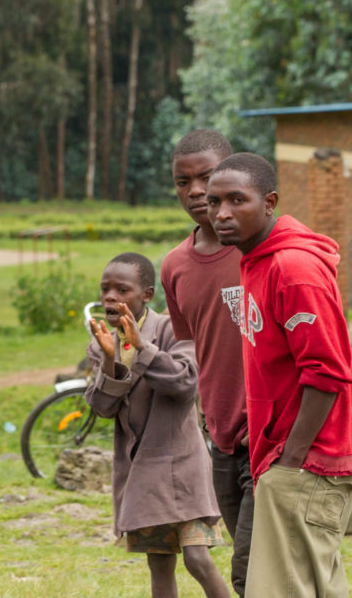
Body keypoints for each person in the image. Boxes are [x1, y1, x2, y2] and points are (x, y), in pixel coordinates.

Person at [206, 152, 352, 597]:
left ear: (269, 203)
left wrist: (290, 460)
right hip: (288, 457)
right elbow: (324, 350)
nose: (222, 213)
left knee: (288, 589)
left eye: (236, 200)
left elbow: (326, 370)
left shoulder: (292, 268)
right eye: (214, 202)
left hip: (309, 463)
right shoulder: (257, 259)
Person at [84, 252, 230, 598]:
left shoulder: (172, 329)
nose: (111, 297)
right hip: (142, 472)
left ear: (147, 294)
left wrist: (141, 346)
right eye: (106, 289)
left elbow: (184, 384)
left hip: (183, 465)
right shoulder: (102, 341)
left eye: (122, 289)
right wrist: (109, 358)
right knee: (159, 563)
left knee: (197, 558)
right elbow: (103, 408)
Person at [160, 129, 253, 595]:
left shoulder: (261, 250)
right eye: (183, 182)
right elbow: (191, 352)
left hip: (273, 435)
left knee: (252, 570)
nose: (196, 191)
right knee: (250, 565)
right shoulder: (174, 266)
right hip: (221, 438)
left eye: (207, 177)